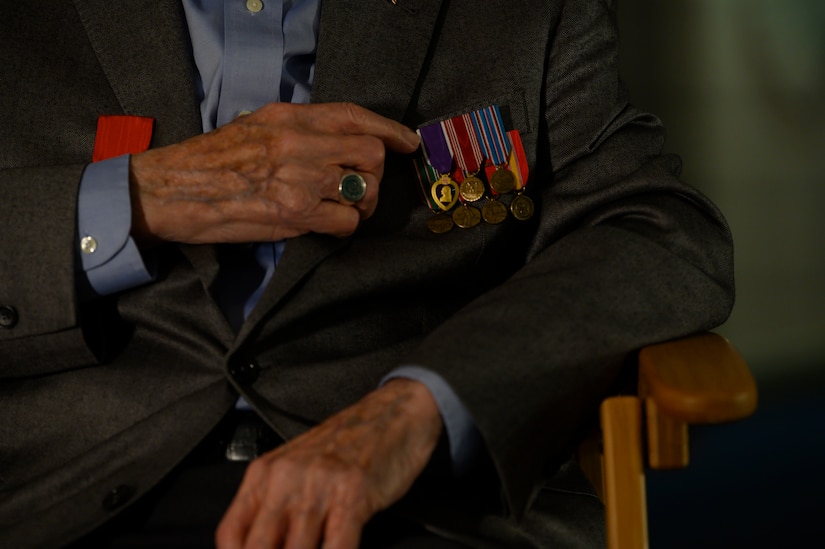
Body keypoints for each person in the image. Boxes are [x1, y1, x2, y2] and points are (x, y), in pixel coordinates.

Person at [0, 1, 734, 547]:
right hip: (69, 497)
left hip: (426, 505)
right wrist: (139, 196)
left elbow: (656, 234)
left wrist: (419, 406)